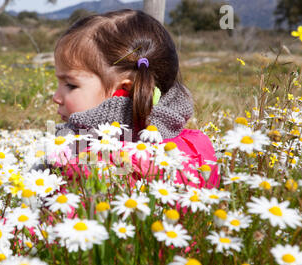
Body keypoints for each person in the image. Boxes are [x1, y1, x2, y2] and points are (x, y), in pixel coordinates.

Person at [46, 9, 219, 188]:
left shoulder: (101, 166)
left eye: (71, 85)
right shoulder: (194, 146)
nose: (56, 97)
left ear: (123, 90)